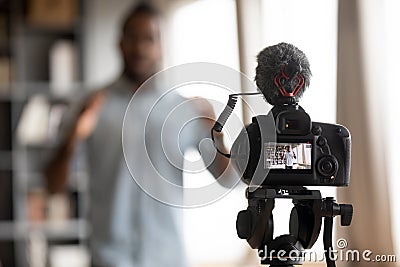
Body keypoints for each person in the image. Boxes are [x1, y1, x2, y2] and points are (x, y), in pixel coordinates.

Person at [45, 3, 229, 267]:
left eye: (149, 39)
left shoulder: (185, 110)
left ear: (162, 46)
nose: (140, 47)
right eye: (132, 37)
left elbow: (227, 180)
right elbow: (53, 185)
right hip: (108, 260)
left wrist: (217, 135)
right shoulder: (89, 105)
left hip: (168, 260)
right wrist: (73, 135)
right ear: (119, 42)